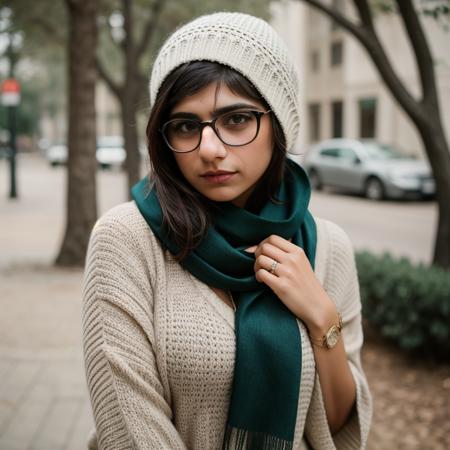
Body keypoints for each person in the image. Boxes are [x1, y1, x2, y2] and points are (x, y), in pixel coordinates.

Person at [82, 11, 372, 450]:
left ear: (277, 123)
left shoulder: (326, 246)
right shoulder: (126, 239)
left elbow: (338, 428)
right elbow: (130, 430)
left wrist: (322, 319)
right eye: (185, 126)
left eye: (236, 119)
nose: (210, 150)